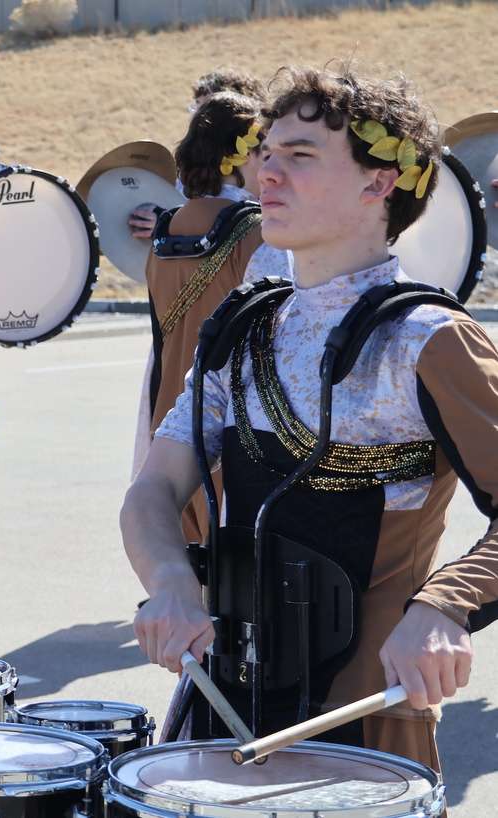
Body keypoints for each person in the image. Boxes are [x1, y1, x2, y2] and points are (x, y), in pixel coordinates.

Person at [122, 65, 498, 771]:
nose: (267, 173)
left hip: (364, 722)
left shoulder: (429, 339)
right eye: (267, 153)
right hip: (226, 703)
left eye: (299, 157)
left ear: (378, 184)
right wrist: (170, 582)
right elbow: (154, 487)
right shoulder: (244, 326)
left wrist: (445, 606)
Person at [139, 92, 282, 540]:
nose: (274, 169)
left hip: (168, 417)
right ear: (238, 159)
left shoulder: (166, 229)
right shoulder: (262, 234)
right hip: (235, 428)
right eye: (266, 154)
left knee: (189, 561)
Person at [129, 68, 267, 240]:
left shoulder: (265, 174)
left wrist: (167, 226)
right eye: (197, 106)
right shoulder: (189, 174)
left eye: (208, 107)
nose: (198, 117)